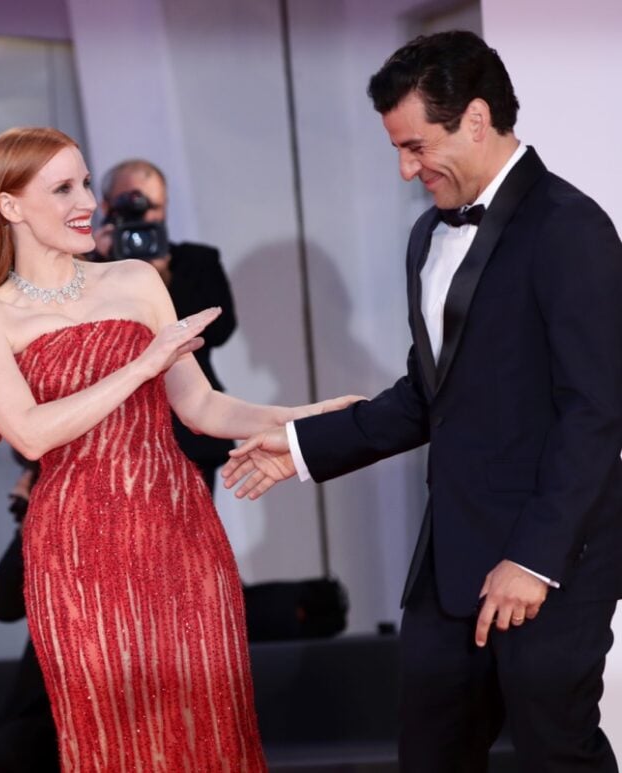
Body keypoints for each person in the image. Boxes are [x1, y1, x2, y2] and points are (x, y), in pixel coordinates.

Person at [225, 30, 622, 772]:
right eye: (397, 151)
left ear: (476, 118)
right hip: (450, 559)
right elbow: (427, 395)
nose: (407, 170)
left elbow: (597, 411)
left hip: (553, 555)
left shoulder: (572, 229)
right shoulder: (424, 239)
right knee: (431, 753)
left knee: (555, 751)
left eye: (416, 146)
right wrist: (304, 446)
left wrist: (532, 560)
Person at [0, 126, 360, 770]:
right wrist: (140, 367)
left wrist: (307, 416)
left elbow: (201, 406)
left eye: (85, 183)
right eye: (63, 188)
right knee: (116, 743)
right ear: (9, 206)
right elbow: (28, 431)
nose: (86, 200)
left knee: (210, 735)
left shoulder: (135, 278)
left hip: (178, 530)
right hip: (76, 548)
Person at [91, 159, 237, 492]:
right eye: (129, 204)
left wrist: (161, 279)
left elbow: (220, 329)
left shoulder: (197, 262)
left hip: (187, 435)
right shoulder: (88, 270)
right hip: (110, 436)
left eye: (152, 205)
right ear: (106, 207)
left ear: (166, 206)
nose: (143, 215)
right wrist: (98, 264)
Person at [0, 452, 58, 773]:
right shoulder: (38, 531)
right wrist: (28, 530)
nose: (18, 485)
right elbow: (2, 605)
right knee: (5, 754)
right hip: (46, 706)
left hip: (111, 689)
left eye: (29, 473)